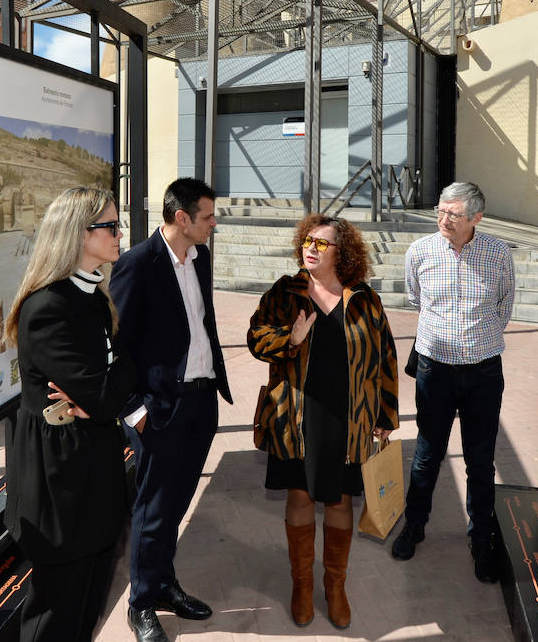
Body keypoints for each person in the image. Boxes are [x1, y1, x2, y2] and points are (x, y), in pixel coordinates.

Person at [247, 214, 398, 630]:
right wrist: (289, 340)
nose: (310, 248)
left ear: (342, 253)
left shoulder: (365, 298)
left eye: (322, 244)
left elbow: (385, 356)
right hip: (296, 415)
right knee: (299, 495)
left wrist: (386, 413)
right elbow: (256, 338)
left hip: (349, 417)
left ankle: (335, 586)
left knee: (339, 500)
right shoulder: (286, 292)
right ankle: (301, 584)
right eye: (307, 241)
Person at [4, 187, 136, 642]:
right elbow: (103, 395)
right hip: (59, 483)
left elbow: (102, 395)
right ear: (79, 234)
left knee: (90, 601)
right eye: (111, 226)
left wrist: (109, 386)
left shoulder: (95, 298)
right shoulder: (48, 307)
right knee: (56, 616)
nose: (121, 234)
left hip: (94, 467)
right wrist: (121, 372)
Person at [111, 178, 232, 642]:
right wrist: (133, 411)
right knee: (152, 508)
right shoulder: (137, 265)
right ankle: (140, 604)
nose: (213, 223)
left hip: (200, 401)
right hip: (159, 408)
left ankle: (162, 585)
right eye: (207, 216)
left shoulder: (199, 257)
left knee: (177, 502)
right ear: (181, 218)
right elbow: (116, 348)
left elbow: (201, 323)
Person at [393, 183, 514, 583]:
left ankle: (481, 539)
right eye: (440, 212)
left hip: (482, 372)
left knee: (480, 461)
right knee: (427, 453)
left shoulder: (497, 253)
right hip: (435, 370)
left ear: (476, 218)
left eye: (453, 215)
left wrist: (476, 340)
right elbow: (415, 298)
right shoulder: (421, 252)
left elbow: (504, 305)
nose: (444, 220)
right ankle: (414, 526)